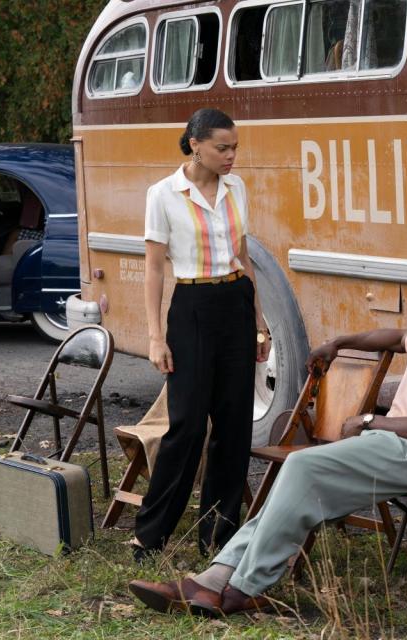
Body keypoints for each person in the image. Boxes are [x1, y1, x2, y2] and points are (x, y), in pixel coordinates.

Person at [129, 256, 407, 617]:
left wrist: (370, 421)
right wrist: (339, 342)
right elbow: (391, 338)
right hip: (391, 447)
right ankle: (213, 581)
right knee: (297, 481)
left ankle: (240, 589)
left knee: (302, 467)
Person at [131, 108, 271, 561]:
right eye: (222, 148)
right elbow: (154, 269)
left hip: (235, 305)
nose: (232, 156)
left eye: (235, 148)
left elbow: (244, 257)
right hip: (190, 308)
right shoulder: (163, 194)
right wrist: (155, 337)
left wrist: (260, 322)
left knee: (234, 427)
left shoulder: (237, 188)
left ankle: (219, 537)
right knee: (187, 425)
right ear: (196, 144)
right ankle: (151, 535)